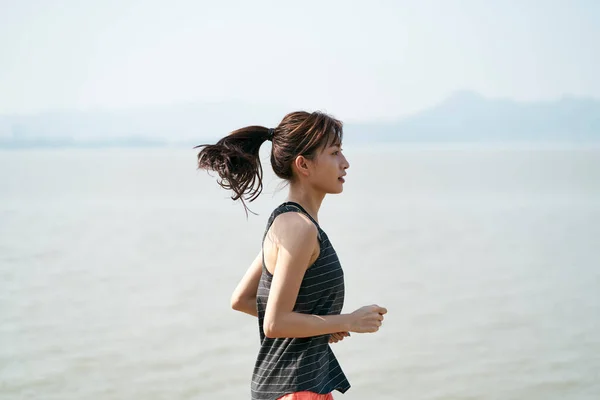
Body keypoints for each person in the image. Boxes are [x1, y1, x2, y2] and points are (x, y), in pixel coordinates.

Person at [195, 111, 387, 400]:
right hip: (297, 391)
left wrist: (318, 326)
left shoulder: (286, 222)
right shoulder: (299, 227)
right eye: (335, 153)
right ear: (304, 165)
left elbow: (243, 299)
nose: (345, 163)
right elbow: (275, 323)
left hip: (287, 388)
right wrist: (347, 321)